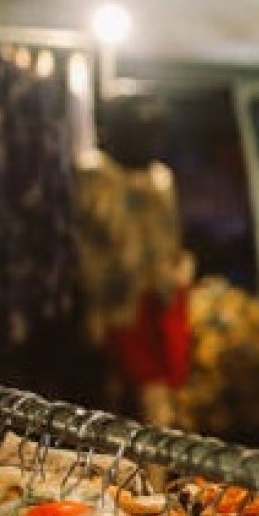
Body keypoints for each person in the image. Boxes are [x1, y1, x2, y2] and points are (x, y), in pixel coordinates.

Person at [73, 93, 195, 429]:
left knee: (159, 396)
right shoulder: (95, 176)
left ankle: (155, 476)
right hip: (115, 305)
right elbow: (93, 242)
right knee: (117, 397)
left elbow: (171, 236)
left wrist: (177, 273)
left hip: (158, 298)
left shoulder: (160, 178)